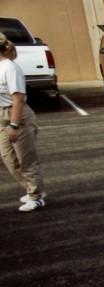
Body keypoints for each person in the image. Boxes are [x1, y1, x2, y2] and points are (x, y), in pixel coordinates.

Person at [0, 32, 46, 212]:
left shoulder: (9, 68)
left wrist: (13, 125)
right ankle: (31, 189)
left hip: (16, 116)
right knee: (10, 160)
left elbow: (18, 99)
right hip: (2, 116)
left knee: (26, 159)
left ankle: (37, 196)